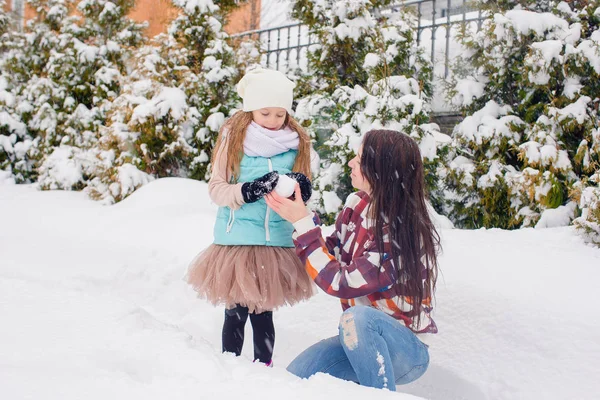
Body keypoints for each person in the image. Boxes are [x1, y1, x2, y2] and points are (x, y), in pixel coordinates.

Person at [265, 129, 441, 390]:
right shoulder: (356, 204)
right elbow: (332, 256)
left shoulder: (402, 229)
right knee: (292, 380)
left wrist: (302, 224)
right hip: (357, 339)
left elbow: (341, 282)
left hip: (404, 350)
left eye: (359, 160)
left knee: (359, 318)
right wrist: (302, 217)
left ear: (379, 170)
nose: (350, 163)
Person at [186, 68, 315, 366]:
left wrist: (302, 189)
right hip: (238, 244)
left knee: (263, 313)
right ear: (251, 110)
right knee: (236, 311)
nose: (272, 121)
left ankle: (263, 370)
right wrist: (250, 190)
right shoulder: (234, 142)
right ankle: (230, 367)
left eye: (279, 115)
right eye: (265, 113)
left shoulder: (296, 143)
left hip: (275, 245)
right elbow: (217, 190)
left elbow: (301, 194)